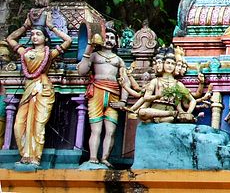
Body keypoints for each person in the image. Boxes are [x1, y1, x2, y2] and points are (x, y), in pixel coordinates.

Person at [6, 12, 73, 166]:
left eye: (38, 34)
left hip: (43, 90)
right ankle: (25, 155)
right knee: (18, 125)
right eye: (33, 34)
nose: (35, 37)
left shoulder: (49, 53)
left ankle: (35, 157)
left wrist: (51, 27)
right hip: (28, 89)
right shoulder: (25, 52)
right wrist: (25, 26)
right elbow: (10, 39)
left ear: (45, 38)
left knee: (38, 124)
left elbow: (68, 40)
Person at [78, 26, 138, 166]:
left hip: (114, 94)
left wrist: (123, 101)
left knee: (110, 130)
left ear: (117, 42)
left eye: (112, 38)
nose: (109, 41)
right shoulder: (94, 55)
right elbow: (82, 71)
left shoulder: (119, 60)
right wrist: (89, 47)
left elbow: (125, 82)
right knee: (96, 129)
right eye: (106, 38)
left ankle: (105, 158)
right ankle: (93, 157)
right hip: (97, 92)